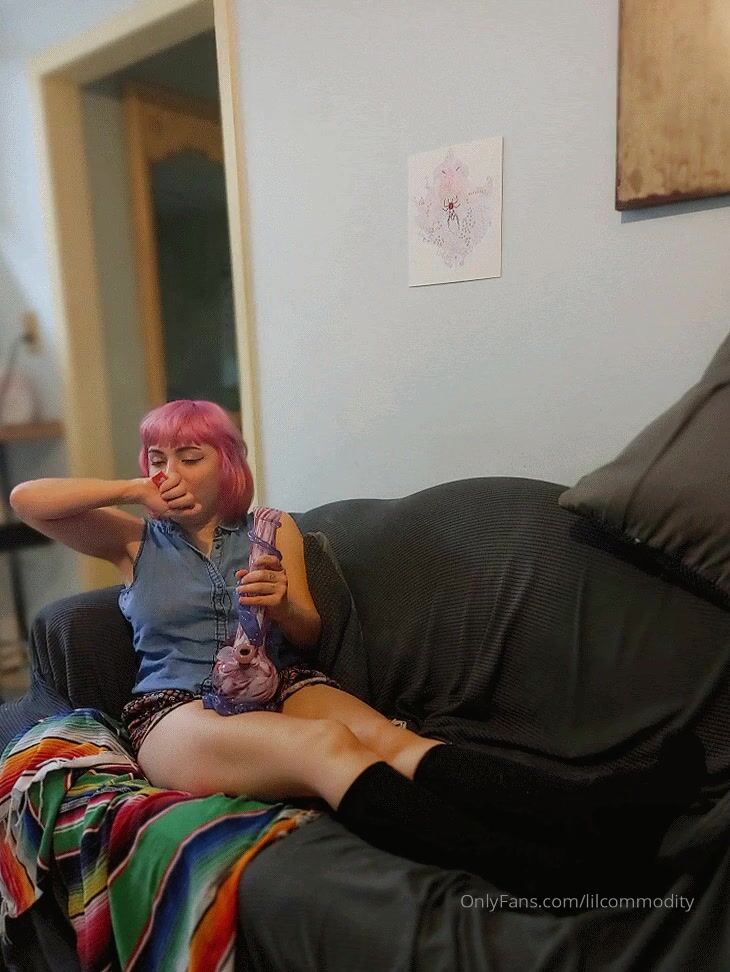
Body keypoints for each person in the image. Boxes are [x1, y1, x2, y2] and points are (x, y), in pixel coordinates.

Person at [9, 400, 706, 901]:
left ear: (227, 463)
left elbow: (308, 632)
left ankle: (599, 806)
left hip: (279, 681)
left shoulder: (271, 529)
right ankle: (545, 873)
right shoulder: (133, 541)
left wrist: (283, 603)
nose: (172, 474)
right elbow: (27, 500)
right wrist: (132, 490)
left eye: (190, 458)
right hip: (176, 709)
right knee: (328, 749)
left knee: (393, 740)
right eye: (158, 460)